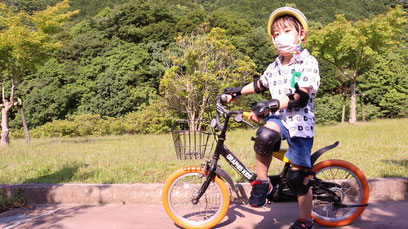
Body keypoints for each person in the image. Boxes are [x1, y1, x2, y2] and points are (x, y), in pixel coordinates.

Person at [223, 7, 320, 229]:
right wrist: (235, 91)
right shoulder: (275, 65)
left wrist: (271, 103)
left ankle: (306, 220)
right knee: (264, 136)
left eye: (286, 31)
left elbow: (301, 96)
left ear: (300, 35)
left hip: (300, 124)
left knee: (297, 179)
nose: (280, 38)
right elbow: (259, 84)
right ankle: (263, 183)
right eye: (276, 34)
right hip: (278, 119)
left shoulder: (308, 62)